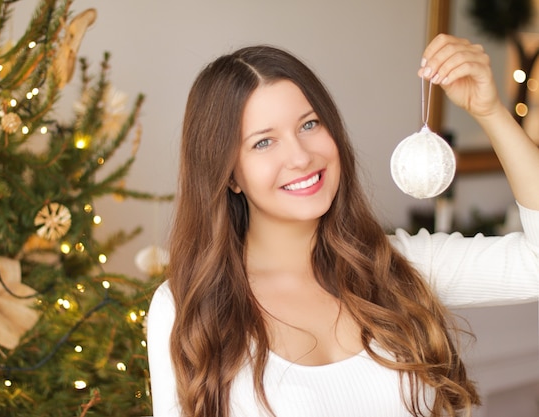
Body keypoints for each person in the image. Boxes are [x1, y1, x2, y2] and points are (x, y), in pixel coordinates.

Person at [147, 34, 539, 417]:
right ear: (229, 174)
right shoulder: (186, 308)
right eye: (263, 142)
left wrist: (490, 112)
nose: (300, 157)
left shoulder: (398, 267)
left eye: (309, 124)